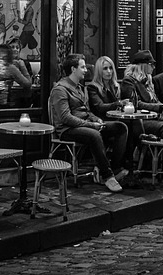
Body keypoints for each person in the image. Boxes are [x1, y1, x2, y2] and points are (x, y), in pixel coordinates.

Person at [50, 53, 128, 191]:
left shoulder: (80, 87)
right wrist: (92, 125)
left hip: (85, 124)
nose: (86, 70)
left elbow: (86, 111)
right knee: (94, 134)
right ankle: (108, 176)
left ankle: (115, 168)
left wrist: (96, 119)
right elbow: (65, 118)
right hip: (67, 129)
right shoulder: (60, 89)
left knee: (120, 127)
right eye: (83, 67)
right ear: (73, 69)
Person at [88, 55, 145, 165]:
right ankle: (118, 164)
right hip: (100, 120)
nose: (109, 71)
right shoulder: (93, 87)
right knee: (125, 126)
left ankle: (134, 156)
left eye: (110, 68)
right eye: (105, 69)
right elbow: (99, 107)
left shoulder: (115, 86)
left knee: (135, 122)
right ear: (99, 71)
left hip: (115, 118)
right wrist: (118, 103)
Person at [0, 43, 32, 108]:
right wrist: (22, 65)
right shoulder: (10, 68)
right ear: (9, 55)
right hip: (4, 107)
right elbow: (28, 84)